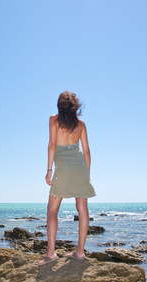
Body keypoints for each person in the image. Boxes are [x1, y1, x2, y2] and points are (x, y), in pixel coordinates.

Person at [38, 91, 96, 266]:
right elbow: (86, 151)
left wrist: (49, 169)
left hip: (62, 168)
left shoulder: (53, 120)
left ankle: (51, 253)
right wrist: (87, 174)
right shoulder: (81, 124)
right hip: (80, 167)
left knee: (52, 210)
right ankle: (80, 251)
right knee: (82, 209)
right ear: (75, 106)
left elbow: (52, 145)